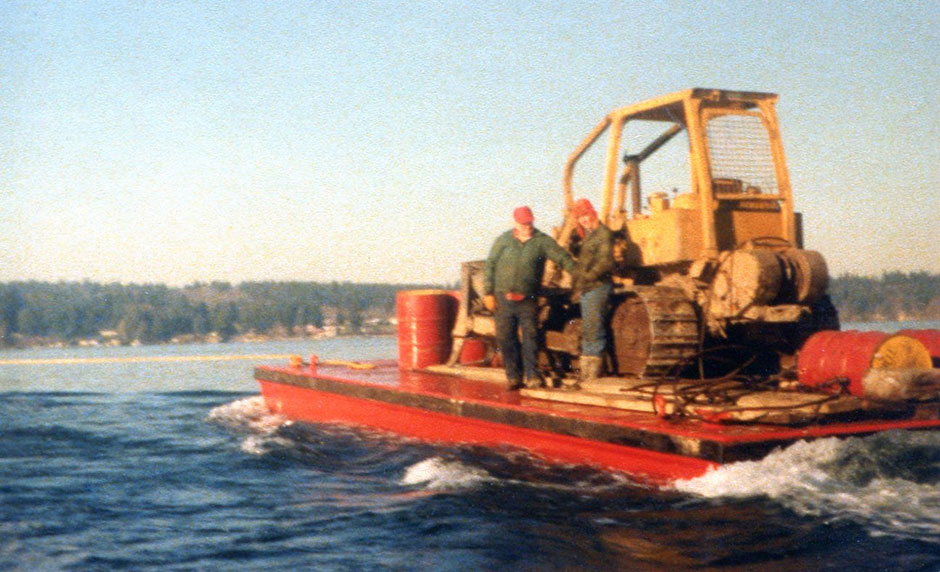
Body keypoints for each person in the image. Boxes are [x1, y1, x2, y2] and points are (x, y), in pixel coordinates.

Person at [484, 206, 575, 390]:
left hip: (528, 299)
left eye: (530, 222)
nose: (528, 226)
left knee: (531, 338)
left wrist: (578, 273)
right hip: (503, 299)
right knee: (505, 338)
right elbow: (490, 265)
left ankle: (532, 376)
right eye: (524, 223)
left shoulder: (542, 241)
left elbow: (562, 257)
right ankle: (513, 377)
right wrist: (488, 292)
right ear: (515, 223)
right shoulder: (503, 241)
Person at [572, 198, 614, 385]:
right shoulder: (589, 235)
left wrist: (587, 277)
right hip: (588, 288)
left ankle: (592, 374)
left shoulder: (603, 234)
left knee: (594, 328)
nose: (584, 220)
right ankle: (587, 371)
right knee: (589, 328)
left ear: (593, 213)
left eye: (586, 215)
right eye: (580, 218)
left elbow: (605, 262)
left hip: (597, 286)